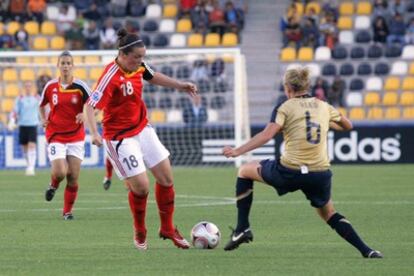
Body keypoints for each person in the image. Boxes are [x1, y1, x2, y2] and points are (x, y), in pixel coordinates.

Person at [221, 66, 383, 258]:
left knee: (244, 171)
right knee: (329, 213)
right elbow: (348, 125)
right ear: (307, 86)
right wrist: (323, 122)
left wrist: (238, 151)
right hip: (319, 174)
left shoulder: (284, 107)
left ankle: (242, 228)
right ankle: (367, 251)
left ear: (288, 88)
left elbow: (267, 135)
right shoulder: (323, 106)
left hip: (289, 172)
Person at [85, 28, 198, 250]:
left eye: (142, 57)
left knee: (166, 178)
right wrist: (94, 133)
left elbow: (153, 76)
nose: (140, 61)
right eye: (137, 57)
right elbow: (89, 105)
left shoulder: (138, 67)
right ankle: (140, 230)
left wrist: (180, 85)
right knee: (142, 187)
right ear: (123, 55)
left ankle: (167, 228)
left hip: (142, 128)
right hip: (119, 137)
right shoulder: (110, 76)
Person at [39, 51, 91, 220]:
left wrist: (84, 114)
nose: (66, 66)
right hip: (56, 135)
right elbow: (42, 105)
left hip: (76, 136)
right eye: (63, 63)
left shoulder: (81, 86)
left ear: (73, 65)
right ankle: (53, 184)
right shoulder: (50, 86)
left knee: (73, 177)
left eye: (69, 63)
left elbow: (94, 104)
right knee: (61, 172)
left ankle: (67, 212)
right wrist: (43, 119)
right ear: (58, 66)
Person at [10, 81, 40, 176]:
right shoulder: (20, 98)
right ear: (24, 88)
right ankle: (29, 165)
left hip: (33, 124)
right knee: (25, 148)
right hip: (22, 125)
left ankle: (31, 167)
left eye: (29, 86)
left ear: (32, 87)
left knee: (32, 145)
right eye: (26, 86)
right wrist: (12, 121)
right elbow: (15, 111)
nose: (28, 88)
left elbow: (43, 109)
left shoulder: (36, 98)